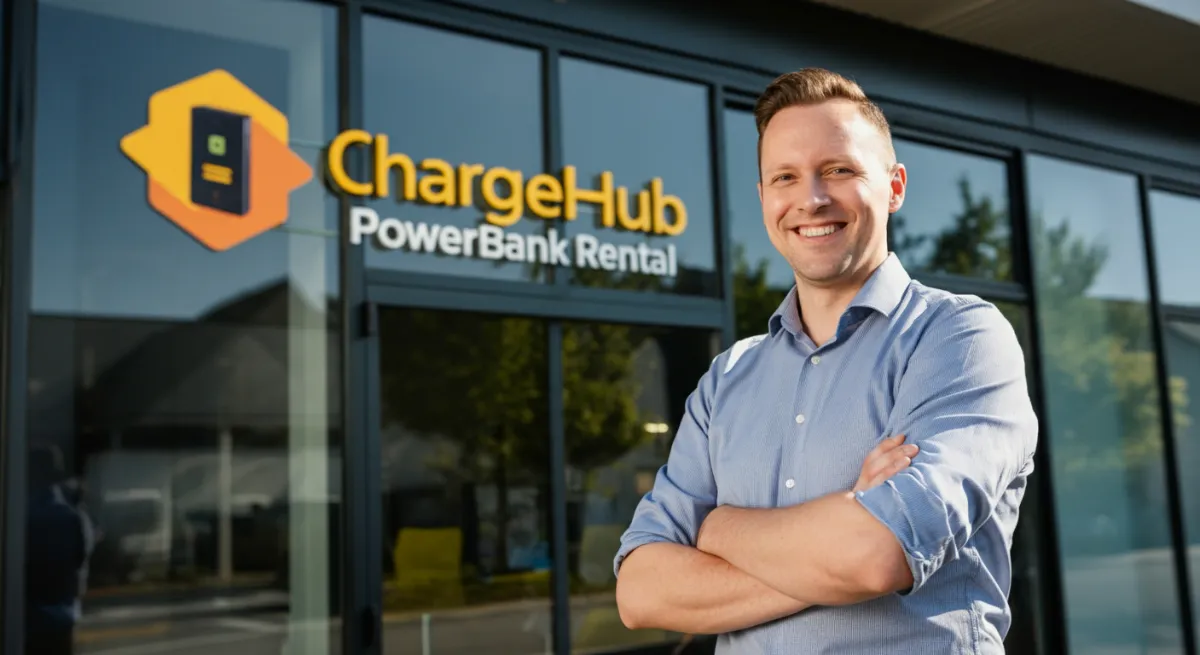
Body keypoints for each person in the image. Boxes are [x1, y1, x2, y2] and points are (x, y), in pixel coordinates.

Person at [612, 68, 1038, 654]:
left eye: (838, 170)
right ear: (764, 198)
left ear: (894, 186)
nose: (810, 199)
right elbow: (641, 594)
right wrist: (840, 522)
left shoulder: (958, 339)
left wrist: (718, 528)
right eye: (785, 176)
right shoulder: (728, 380)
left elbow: (874, 557)